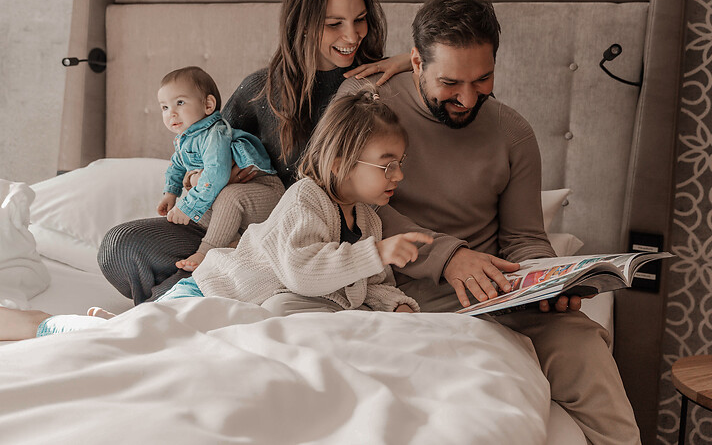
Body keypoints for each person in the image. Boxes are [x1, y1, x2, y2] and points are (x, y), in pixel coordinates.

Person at [338, 0, 641, 445]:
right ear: (416, 61)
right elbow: (351, 204)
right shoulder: (364, 105)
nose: (467, 98)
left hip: (497, 295)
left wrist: (548, 281)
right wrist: (448, 256)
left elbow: (523, 237)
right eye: (450, 83)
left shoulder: (513, 133)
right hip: (394, 293)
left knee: (583, 343)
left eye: (482, 79)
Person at [98, 0, 411, 304]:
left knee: (215, 271)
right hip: (241, 231)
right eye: (334, 24)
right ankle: (193, 296)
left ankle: (169, 308)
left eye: (360, 19)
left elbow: (445, 72)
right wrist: (201, 177)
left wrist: (411, 61)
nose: (352, 36)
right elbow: (207, 152)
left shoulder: (371, 91)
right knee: (121, 247)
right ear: (302, 24)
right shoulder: (261, 89)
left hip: (307, 246)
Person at [0, 89, 428, 340]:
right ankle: (43, 325)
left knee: (147, 337)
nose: (400, 174)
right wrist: (377, 253)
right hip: (211, 290)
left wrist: (398, 308)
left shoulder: (368, 222)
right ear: (339, 163)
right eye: (387, 164)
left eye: (401, 162)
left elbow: (371, 287)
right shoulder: (306, 200)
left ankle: (104, 323)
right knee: (128, 338)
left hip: (245, 309)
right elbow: (303, 272)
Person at [156, 66, 277, 272]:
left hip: (265, 193)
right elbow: (176, 165)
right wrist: (170, 194)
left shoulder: (215, 134)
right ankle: (235, 241)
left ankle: (207, 251)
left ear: (208, 105)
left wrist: (189, 206)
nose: (171, 113)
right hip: (240, 206)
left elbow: (217, 174)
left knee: (222, 197)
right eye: (165, 107)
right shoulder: (185, 139)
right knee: (198, 208)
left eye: (180, 103)